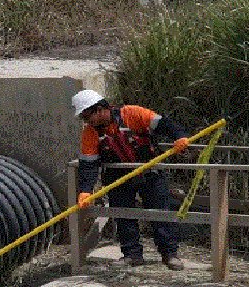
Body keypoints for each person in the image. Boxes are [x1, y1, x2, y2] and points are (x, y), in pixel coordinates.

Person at [72, 89, 190, 270]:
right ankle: (132, 255)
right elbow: (89, 164)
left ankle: (169, 254)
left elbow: (165, 124)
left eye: (88, 116)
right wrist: (86, 190)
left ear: (100, 108)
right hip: (118, 177)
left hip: (150, 172)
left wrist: (180, 137)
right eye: (84, 118)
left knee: (160, 212)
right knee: (123, 215)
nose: (87, 121)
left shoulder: (132, 114)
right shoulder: (90, 133)